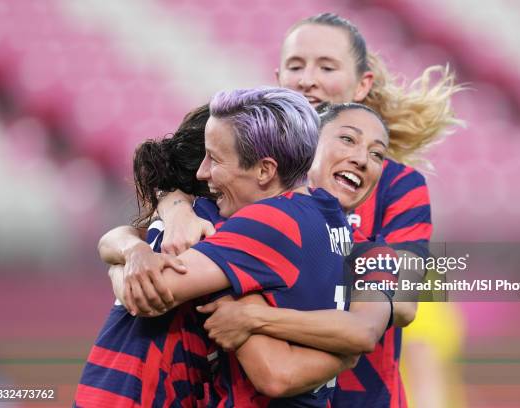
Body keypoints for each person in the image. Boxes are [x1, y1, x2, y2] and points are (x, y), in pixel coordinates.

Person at [154, 12, 462, 408]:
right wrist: (175, 209)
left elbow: (399, 305)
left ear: (363, 83)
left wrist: (255, 318)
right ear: (278, 77)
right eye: (296, 66)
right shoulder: (252, 163)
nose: (308, 79)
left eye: (327, 66)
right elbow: (169, 193)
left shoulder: (398, 185)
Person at [79, 88, 392, 407]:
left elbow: (368, 332)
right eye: (347, 140)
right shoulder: (254, 222)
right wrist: (171, 208)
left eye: (378, 153)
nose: (361, 159)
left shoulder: (384, 246)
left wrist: (255, 317)